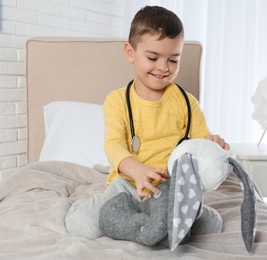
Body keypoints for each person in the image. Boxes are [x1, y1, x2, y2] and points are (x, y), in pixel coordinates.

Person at [65, 5, 229, 241]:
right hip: (127, 187)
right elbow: (113, 145)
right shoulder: (118, 100)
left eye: (173, 60)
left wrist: (213, 144)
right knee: (83, 226)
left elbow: (201, 146)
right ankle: (145, 225)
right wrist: (138, 170)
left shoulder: (187, 103)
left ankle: (144, 226)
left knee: (211, 226)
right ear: (130, 53)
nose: (164, 67)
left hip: (170, 192)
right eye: (153, 57)